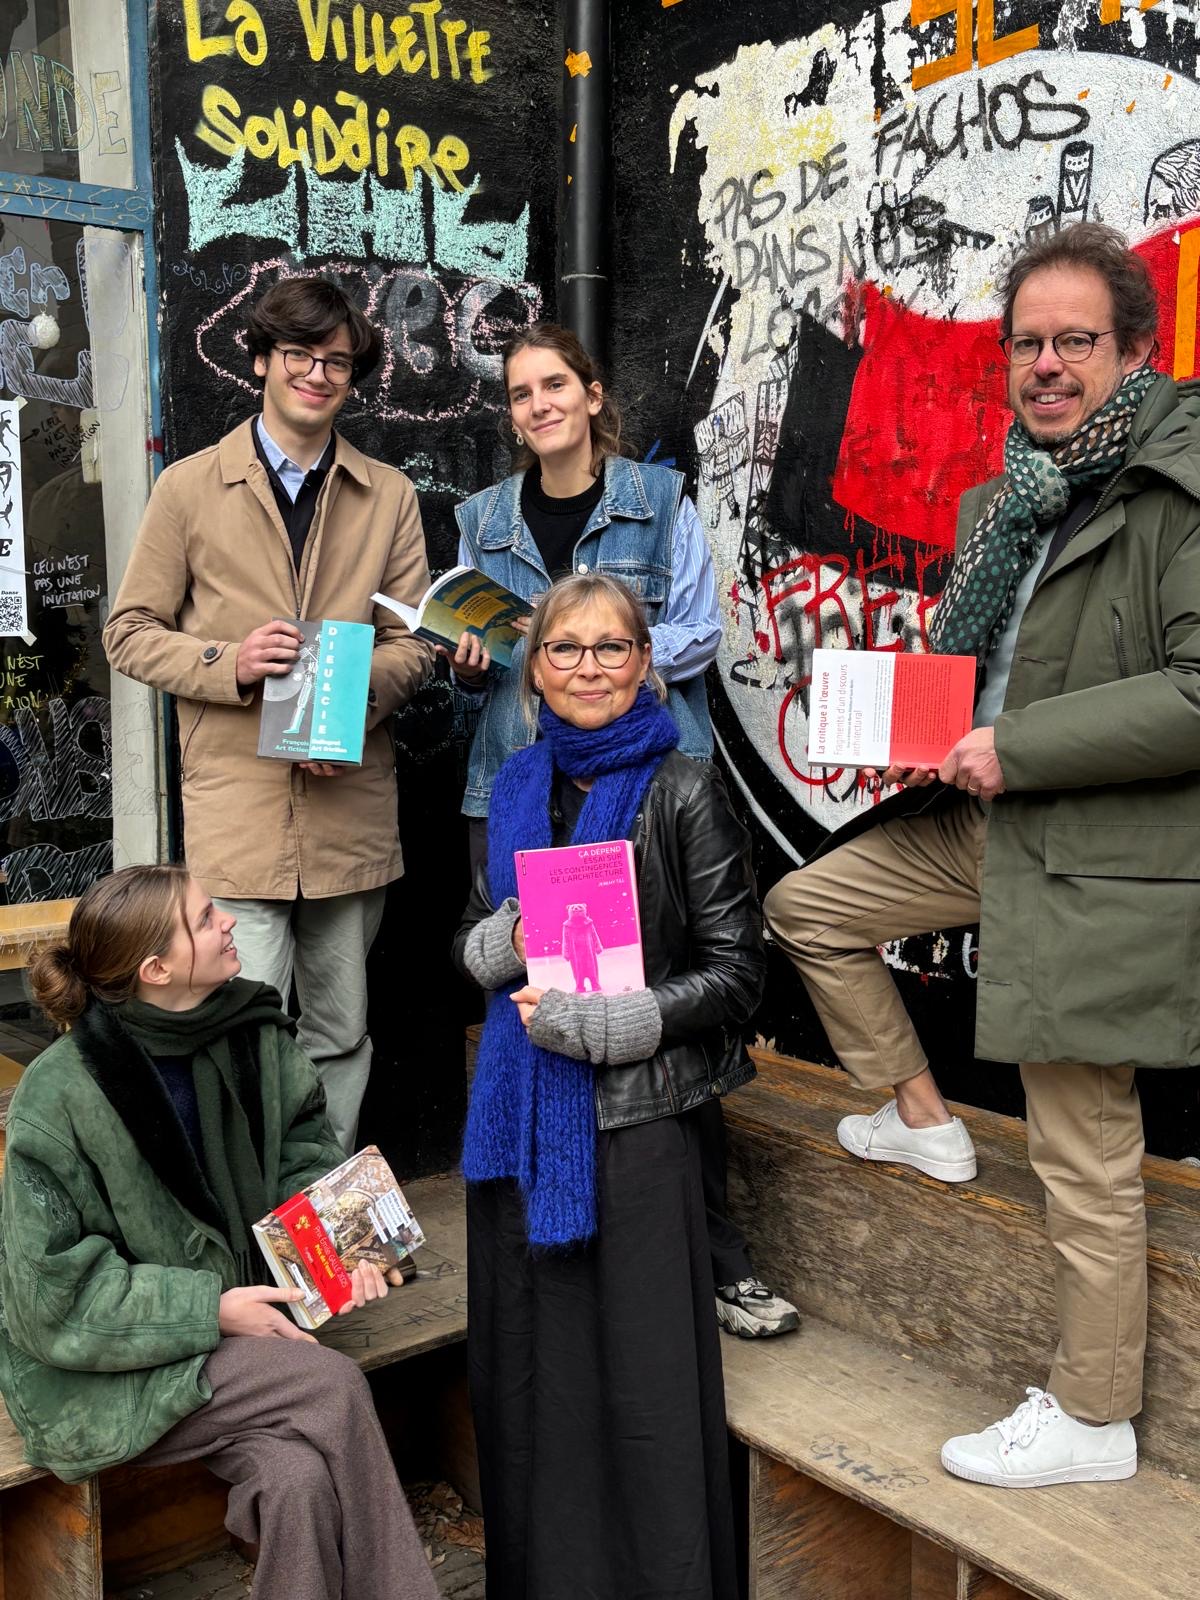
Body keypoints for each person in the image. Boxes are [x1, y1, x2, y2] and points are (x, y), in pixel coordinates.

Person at [764, 221, 1200, 1488]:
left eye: (1075, 341)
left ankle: (1093, 1417)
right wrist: (917, 731)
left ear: (1134, 349)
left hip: (1093, 847)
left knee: (1083, 1149)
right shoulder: (1008, 497)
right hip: (983, 817)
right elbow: (986, 664)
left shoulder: (1176, 485)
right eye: (1026, 344)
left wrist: (1019, 744)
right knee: (810, 905)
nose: (1046, 364)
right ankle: (921, 1116)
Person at [452, 321, 798, 1340]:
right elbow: (473, 642)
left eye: (556, 384)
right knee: (531, 1004)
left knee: (658, 1029)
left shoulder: (657, 498)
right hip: (519, 779)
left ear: (593, 394)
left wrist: (593, 653)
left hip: (642, 780)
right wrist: (483, 657)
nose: (540, 404)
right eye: (522, 392)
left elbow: (697, 630)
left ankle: (714, 1259)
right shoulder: (482, 517)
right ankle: (551, 1240)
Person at [0, 865, 438, 1600]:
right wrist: (211, 1310)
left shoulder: (253, 1031)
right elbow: (53, 1304)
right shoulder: (59, 1093)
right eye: (206, 918)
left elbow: (303, 1152)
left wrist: (348, 1245)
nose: (229, 920)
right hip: (104, 1371)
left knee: (295, 1478)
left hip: (243, 1338)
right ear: (156, 969)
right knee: (331, 1385)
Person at [454, 573, 764, 1598]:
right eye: (565, 649)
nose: (588, 668)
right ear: (534, 669)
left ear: (646, 664)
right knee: (534, 1393)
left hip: (635, 1131)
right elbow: (473, 932)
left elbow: (738, 974)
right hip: (519, 1136)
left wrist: (615, 1023)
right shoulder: (514, 783)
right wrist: (503, 941)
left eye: (611, 648)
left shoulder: (685, 789)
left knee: (644, 1395)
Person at [103, 277, 434, 1152]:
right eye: (299, 355)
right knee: (238, 1036)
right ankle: (252, 1219)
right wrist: (230, 663)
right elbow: (128, 633)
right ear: (260, 361)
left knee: (341, 1035)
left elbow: (415, 644)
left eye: (337, 363)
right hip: (238, 817)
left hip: (348, 813)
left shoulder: (389, 496)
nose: (318, 376)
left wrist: (352, 709)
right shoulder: (187, 489)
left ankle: (324, 1213)